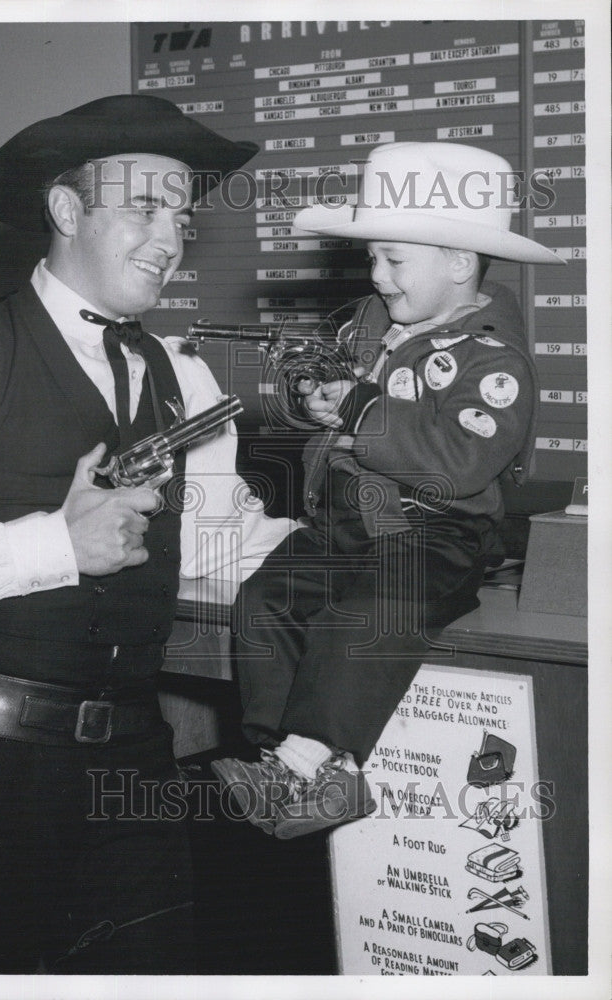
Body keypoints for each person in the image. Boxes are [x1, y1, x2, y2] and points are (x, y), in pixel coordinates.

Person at [0, 94, 294, 973]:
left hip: (135, 754)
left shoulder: (185, 380)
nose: (170, 238)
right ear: (65, 209)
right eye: (144, 208)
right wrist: (53, 545)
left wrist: (372, 531)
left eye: (182, 217)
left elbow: (213, 546)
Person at [212, 141, 564, 840]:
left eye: (393, 260)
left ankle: (310, 759)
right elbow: (327, 386)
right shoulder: (371, 327)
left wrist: (358, 414)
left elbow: (458, 463)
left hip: (435, 532)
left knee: (364, 617)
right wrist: (317, 398)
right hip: (345, 525)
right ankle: (284, 762)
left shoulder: (494, 361)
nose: (377, 276)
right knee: (265, 598)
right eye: (372, 258)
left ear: (460, 263)